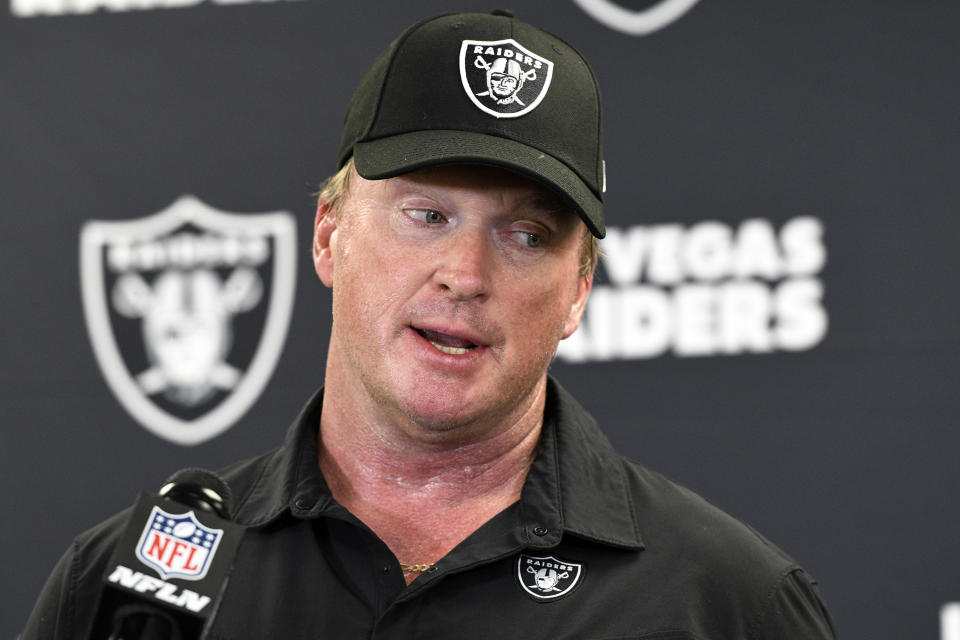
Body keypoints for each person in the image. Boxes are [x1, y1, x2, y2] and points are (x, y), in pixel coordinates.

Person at [24, 10, 836, 639]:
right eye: (426, 214)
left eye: (527, 236)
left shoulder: (727, 602)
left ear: (579, 291)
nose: (467, 275)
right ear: (328, 234)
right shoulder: (127, 589)